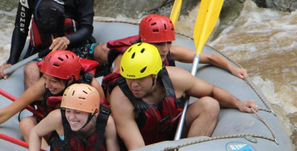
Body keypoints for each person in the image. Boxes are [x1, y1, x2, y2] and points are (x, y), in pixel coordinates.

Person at [109, 43, 258, 150]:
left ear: (154, 75)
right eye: (129, 78)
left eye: (140, 79)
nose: (133, 84)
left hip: (177, 134)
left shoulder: (176, 78)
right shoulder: (121, 99)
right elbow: (137, 148)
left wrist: (239, 103)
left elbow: (211, 90)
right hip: (146, 144)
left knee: (209, 104)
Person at [0, 50, 104, 151]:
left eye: (53, 81)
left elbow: (104, 117)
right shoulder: (42, 86)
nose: (47, 85)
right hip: (55, 131)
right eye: (45, 78)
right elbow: (6, 113)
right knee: (26, 123)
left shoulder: (91, 86)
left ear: (71, 79)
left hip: (85, 132)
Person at [95, 14, 247, 95]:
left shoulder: (169, 51)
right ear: (144, 42)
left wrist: (232, 68)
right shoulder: (128, 60)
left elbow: (209, 57)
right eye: (159, 44)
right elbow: (116, 90)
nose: (165, 49)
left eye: (168, 43)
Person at [23, 83, 119, 151]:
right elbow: (35, 133)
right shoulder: (58, 118)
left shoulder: (106, 123)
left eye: (78, 112)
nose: (71, 117)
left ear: (94, 112)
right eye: (68, 111)